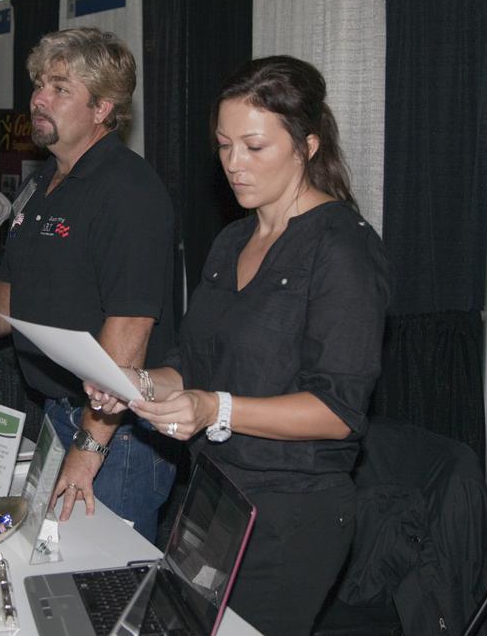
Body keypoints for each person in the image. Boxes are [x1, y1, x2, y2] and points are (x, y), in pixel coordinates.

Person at [87, 56, 391, 635]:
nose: (233, 165)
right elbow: (194, 363)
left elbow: (337, 412)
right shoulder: (233, 240)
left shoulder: (342, 250)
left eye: (254, 147)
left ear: (307, 144)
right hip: (214, 497)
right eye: (224, 146)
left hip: (291, 516)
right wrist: (138, 385)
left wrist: (214, 408)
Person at [0, 27, 178, 543]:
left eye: (60, 88)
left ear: (103, 108)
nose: (39, 98)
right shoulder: (46, 179)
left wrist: (89, 450)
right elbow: (16, 283)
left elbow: (129, 332)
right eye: (40, 84)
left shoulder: (128, 192)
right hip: (60, 416)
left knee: (107, 590)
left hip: (117, 436)